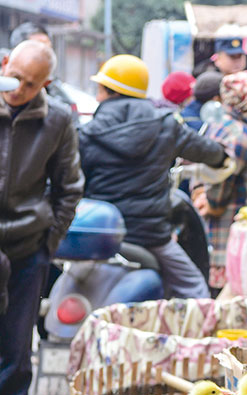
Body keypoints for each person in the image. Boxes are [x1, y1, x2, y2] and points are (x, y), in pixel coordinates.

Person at [79, 54, 228, 300]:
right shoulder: (166, 125)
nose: (97, 97)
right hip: (149, 234)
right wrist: (223, 154)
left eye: (100, 90)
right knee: (196, 289)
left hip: (100, 233)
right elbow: (208, 151)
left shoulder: (88, 133)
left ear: (112, 91)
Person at [0, 40, 83, 395]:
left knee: (16, 345)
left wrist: (47, 245)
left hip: (27, 248)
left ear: (45, 84)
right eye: (15, 78)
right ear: (4, 64)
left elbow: (69, 187)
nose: (18, 90)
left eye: (31, 85)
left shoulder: (57, 121)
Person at [193, 71, 247, 291]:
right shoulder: (236, 133)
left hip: (231, 230)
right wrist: (212, 203)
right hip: (229, 232)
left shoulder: (226, 124)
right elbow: (222, 178)